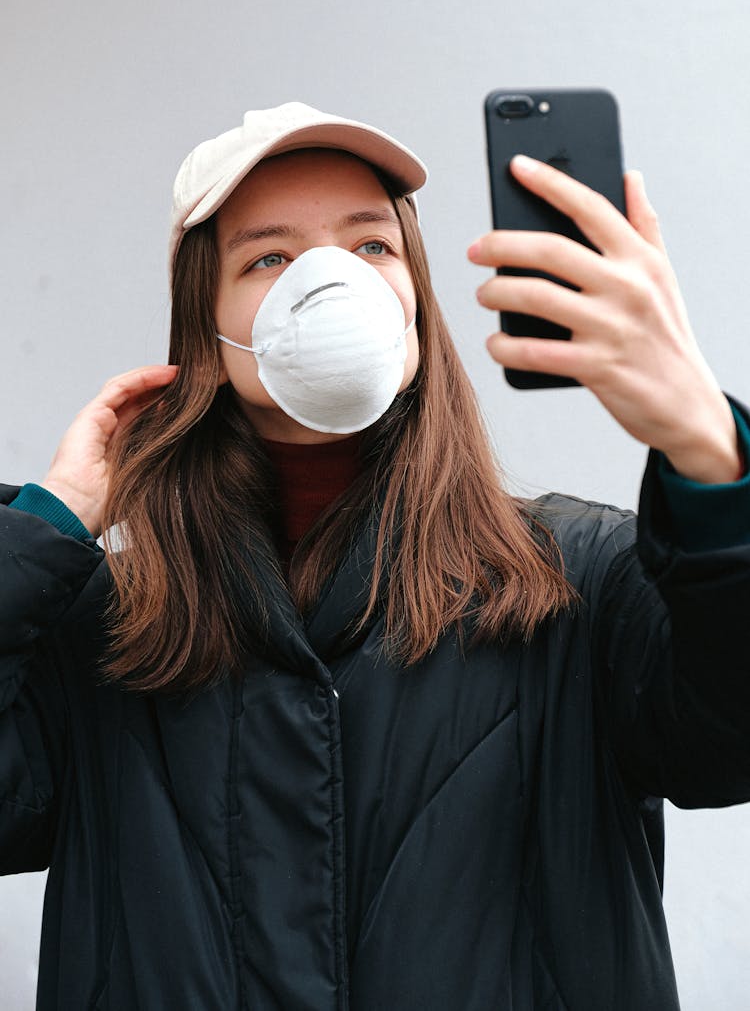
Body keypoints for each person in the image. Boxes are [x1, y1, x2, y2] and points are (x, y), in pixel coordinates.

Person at [1, 101, 748, 1011]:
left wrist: (710, 453)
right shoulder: (108, 631)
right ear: (206, 329)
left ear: (416, 302)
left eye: (370, 247)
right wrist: (42, 531)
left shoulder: (577, 584)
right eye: (268, 257)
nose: (326, 282)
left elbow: (729, 736)